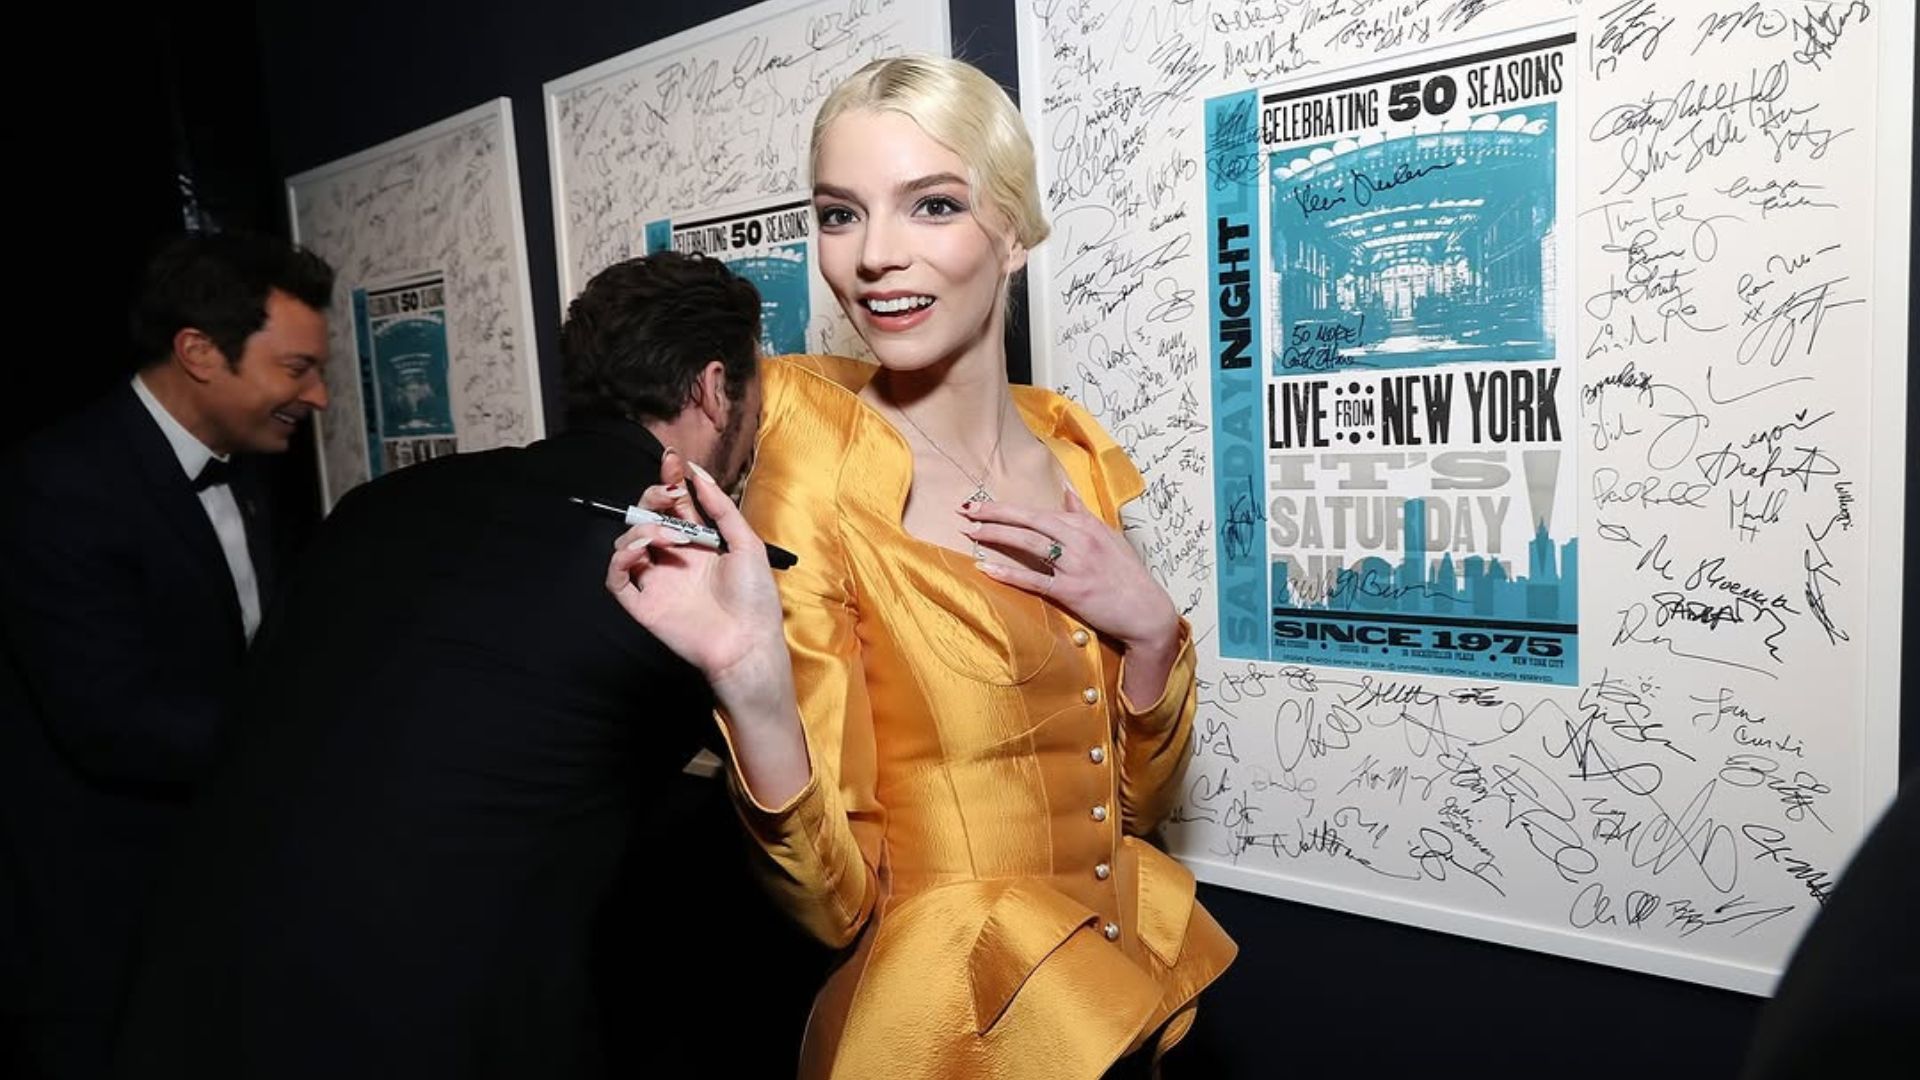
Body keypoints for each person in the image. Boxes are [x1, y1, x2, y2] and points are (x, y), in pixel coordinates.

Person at [607, 56, 1236, 1079]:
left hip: (1118, 1012)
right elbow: (831, 900)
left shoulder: (1074, 453)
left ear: (1015, 234)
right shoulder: (810, 461)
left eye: (932, 205)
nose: (874, 258)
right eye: (842, 215)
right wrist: (752, 687)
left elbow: (1129, 810)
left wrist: (1156, 635)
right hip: (941, 1038)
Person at [113, 252, 818, 1078]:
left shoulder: (381, 504)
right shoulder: (682, 560)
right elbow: (804, 831)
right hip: (416, 1027)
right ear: (711, 387)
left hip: (193, 997)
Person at [0, 231, 334, 1079]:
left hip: (215, 885)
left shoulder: (249, 468)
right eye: (296, 368)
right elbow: (108, 721)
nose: (321, 396)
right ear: (198, 352)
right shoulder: (60, 483)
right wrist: (317, 747)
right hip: (107, 916)